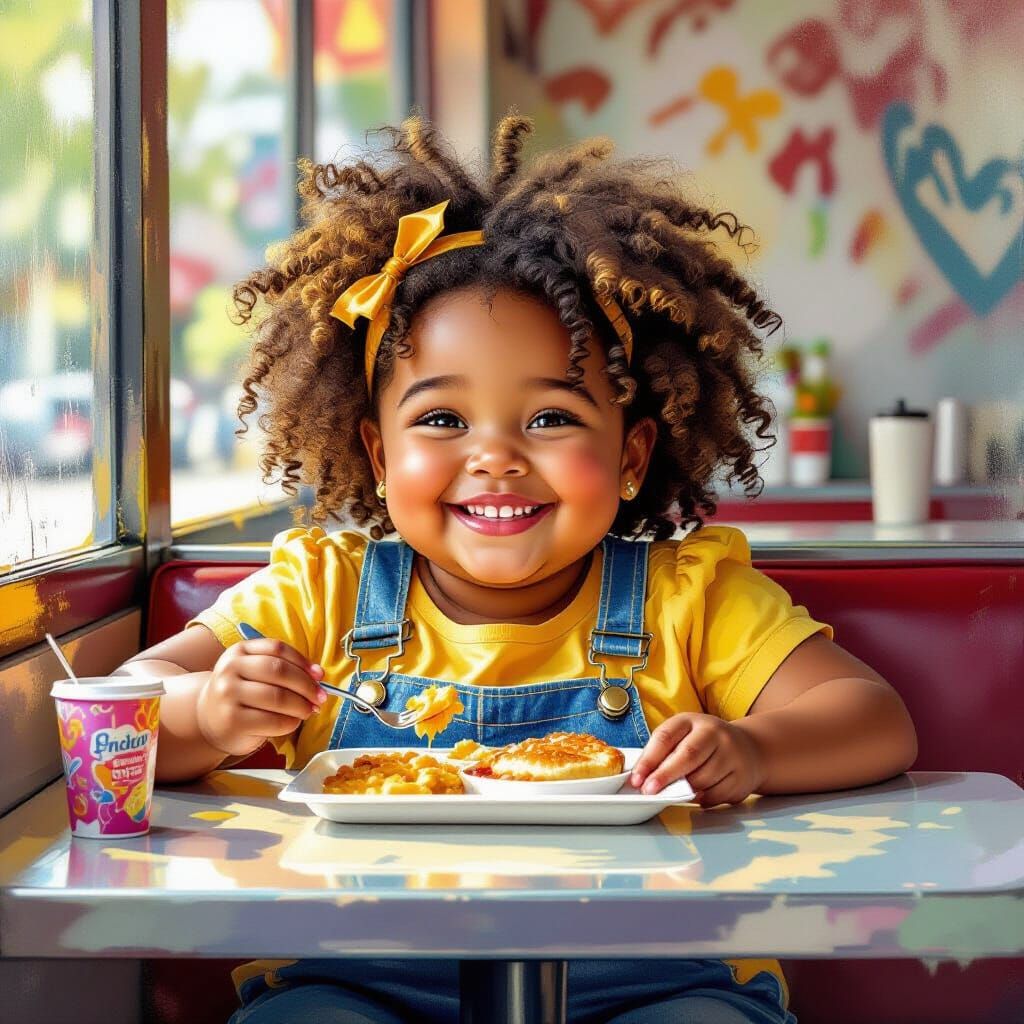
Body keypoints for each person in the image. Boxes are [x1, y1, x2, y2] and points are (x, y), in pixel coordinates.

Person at [115, 114, 917, 1024]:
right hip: (355, 976)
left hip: (658, 978)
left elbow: (874, 719)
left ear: (630, 453)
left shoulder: (688, 595)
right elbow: (122, 712)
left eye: (550, 420)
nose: (494, 458)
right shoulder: (321, 590)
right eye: (443, 421)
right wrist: (208, 711)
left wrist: (754, 747)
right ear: (378, 456)